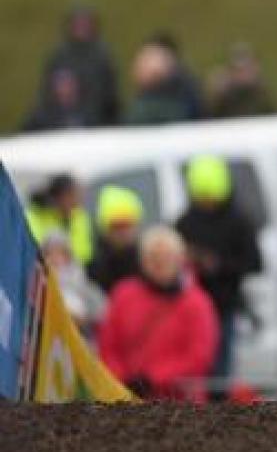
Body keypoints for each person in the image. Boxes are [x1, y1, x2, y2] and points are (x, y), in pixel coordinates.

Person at [98, 227, 219, 400]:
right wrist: (121, 379)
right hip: (126, 399)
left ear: (180, 260)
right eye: (153, 257)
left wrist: (152, 379)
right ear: (142, 261)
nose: (159, 263)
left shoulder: (198, 303)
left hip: (180, 404)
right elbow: (108, 345)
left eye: (166, 257)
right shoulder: (123, 294)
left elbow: (199, 357)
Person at [175, 155, 262, 377]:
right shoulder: (184, 223)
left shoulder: (239, 222)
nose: (207, 204)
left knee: (220, 369)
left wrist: (218, 265)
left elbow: (255, 263)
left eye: (210, 198)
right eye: (202, 198)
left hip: (224, 306)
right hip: (187, 309)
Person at [29, 5, 118, 127]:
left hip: (96, 119)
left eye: (85, 23)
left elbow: (110, 94)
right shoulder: (59, 55)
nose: (82, 28)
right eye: (78, 24)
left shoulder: (102, 56)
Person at [41, 231, 106, 339]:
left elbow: (103, 313)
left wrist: (84, 319)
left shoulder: (83, 284)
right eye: (49, 253)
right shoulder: (38, 285)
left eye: (59, 253)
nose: (54, 258)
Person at [25, 174, 95, 266]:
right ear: (58, 196)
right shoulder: (34, 216)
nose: (77, 201)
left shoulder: (80, 216)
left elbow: (86, 253)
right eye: (71, 195)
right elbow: (37, 252)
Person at [88, 185, 144, 293]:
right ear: (105, 230)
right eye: (116, 227)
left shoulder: (146, 262)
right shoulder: (97, 267)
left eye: (127, 225)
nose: (123, 233)